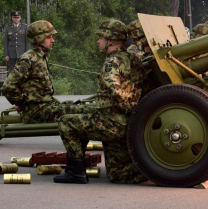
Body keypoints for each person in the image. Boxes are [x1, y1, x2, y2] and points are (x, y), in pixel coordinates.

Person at [54, 19, 148, 185]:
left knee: (66, 123)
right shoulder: (133, 59)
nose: (98, 41)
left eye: (101, 38)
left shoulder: (112, 62)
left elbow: (115, 90)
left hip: (112, 123)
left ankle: (76, 172)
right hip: (128, 123)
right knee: (117, 175)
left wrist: (126, 106)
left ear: (110, 40)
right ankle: (151, 171)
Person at [1, 20, 94, 124]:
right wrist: (21, 103)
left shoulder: (41, 57)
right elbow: (7, 87)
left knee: (85, 109)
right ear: (39, 39)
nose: (53, 40)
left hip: (46, 108)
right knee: (85, 112)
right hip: (36, 112)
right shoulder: (28, 59)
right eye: (49, 37)